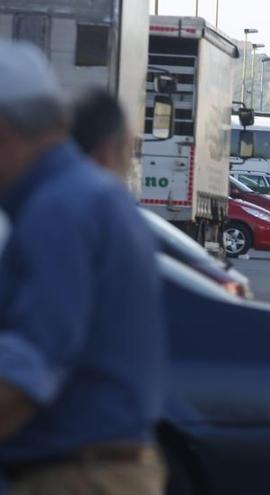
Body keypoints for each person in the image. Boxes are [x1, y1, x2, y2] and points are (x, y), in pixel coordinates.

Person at [0, 41, 166, 494]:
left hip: (72, 477)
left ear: (5, 134)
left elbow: (27, 370)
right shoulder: (90, 195)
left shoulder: (56, 211)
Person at [71, 89, 134, 178]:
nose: (129, 165)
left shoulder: (51, 184)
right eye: (125, 152)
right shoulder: (107, 190)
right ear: (107, 154)